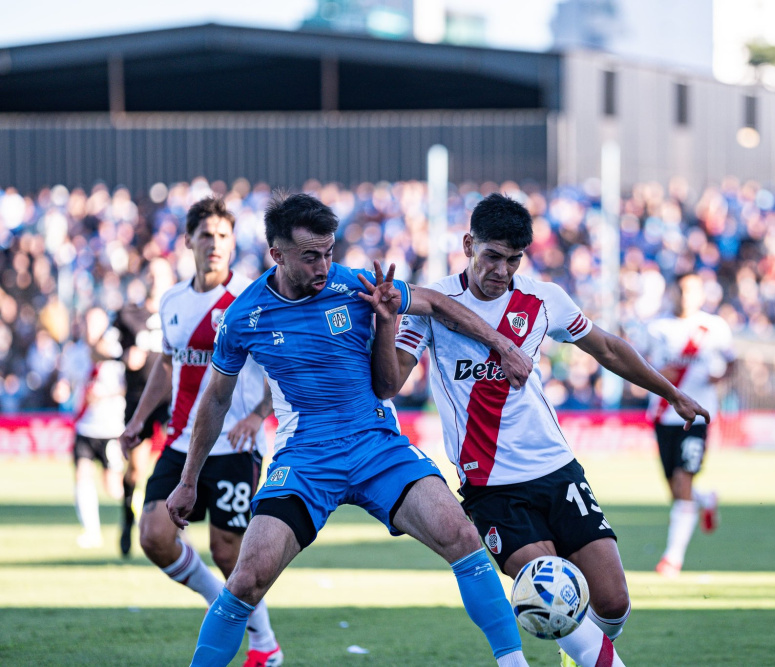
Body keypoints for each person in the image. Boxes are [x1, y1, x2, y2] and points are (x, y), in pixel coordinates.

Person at [165, 192, 536, 667]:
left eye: (329, 252)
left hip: (376, 445)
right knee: (247, 578)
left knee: (462, 537)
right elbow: (215, 398)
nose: (324, 266)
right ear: (277, 254)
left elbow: (436, 304)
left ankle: (514, 664)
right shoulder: (244, 315)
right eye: (310, 256)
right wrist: (188, 480)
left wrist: (502, 344)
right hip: (305, 458)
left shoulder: (358, 287)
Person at [391, 193, 711, 667]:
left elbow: (607, 349)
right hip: (491, 486)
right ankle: (594, 656)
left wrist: (670, 392)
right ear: (468, 245)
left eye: (513, 260)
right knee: (549, 589)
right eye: (492, 256)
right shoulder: (433, 304)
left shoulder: (544, 300)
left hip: (557, 470)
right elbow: (393, 376)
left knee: (613, 602)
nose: (501, 270)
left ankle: (577, 649)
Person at [120, 197, 283, 667]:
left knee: (229, 553)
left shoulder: (252, 298)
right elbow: (167, 365)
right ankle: (225, 608)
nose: (214, 244)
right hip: (180, 440)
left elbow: (280, 366)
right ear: (189, 240)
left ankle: (265, 645)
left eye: (223, 236)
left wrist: (258, 414)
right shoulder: (171, 300)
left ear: (233, 245)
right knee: (154, 535)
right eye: (206, 235)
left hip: (235, 442)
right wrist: (137, 421)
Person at [641, 272, 732, 578]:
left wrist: (721, 378)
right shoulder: (657, 328)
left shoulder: (715, 327)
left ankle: (672, 559)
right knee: (676, 490)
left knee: (682, 484)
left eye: (692, 291)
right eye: (681, 290)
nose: (686, 296)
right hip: (664, 415)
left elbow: (732, 360)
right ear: (673, 292)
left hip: (698, 416)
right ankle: (706, 498)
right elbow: (640, 365)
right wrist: (657, 371)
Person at [115, 277, 171, 557]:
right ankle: (128, 517)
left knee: (181, 459)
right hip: (140, 400)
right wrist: (124, 356)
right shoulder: (128, 315)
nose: (154, 280)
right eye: (150, 273)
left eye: (160, 273)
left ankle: (171, 525)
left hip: (174, 400)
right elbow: (101, 347)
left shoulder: (178, 308)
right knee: (136, 468)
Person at [73, 307, 127, 548]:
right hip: (85, 426)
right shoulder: (75, 352)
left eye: (95, 322)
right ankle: (91, 532)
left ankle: (145, 512)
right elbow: (71, 380)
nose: (90, 327)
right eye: (87, 321)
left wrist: (103, 395)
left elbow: (128, 386)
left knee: (114, 487)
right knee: (81, 475)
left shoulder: (115, 353)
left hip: (110, 428)